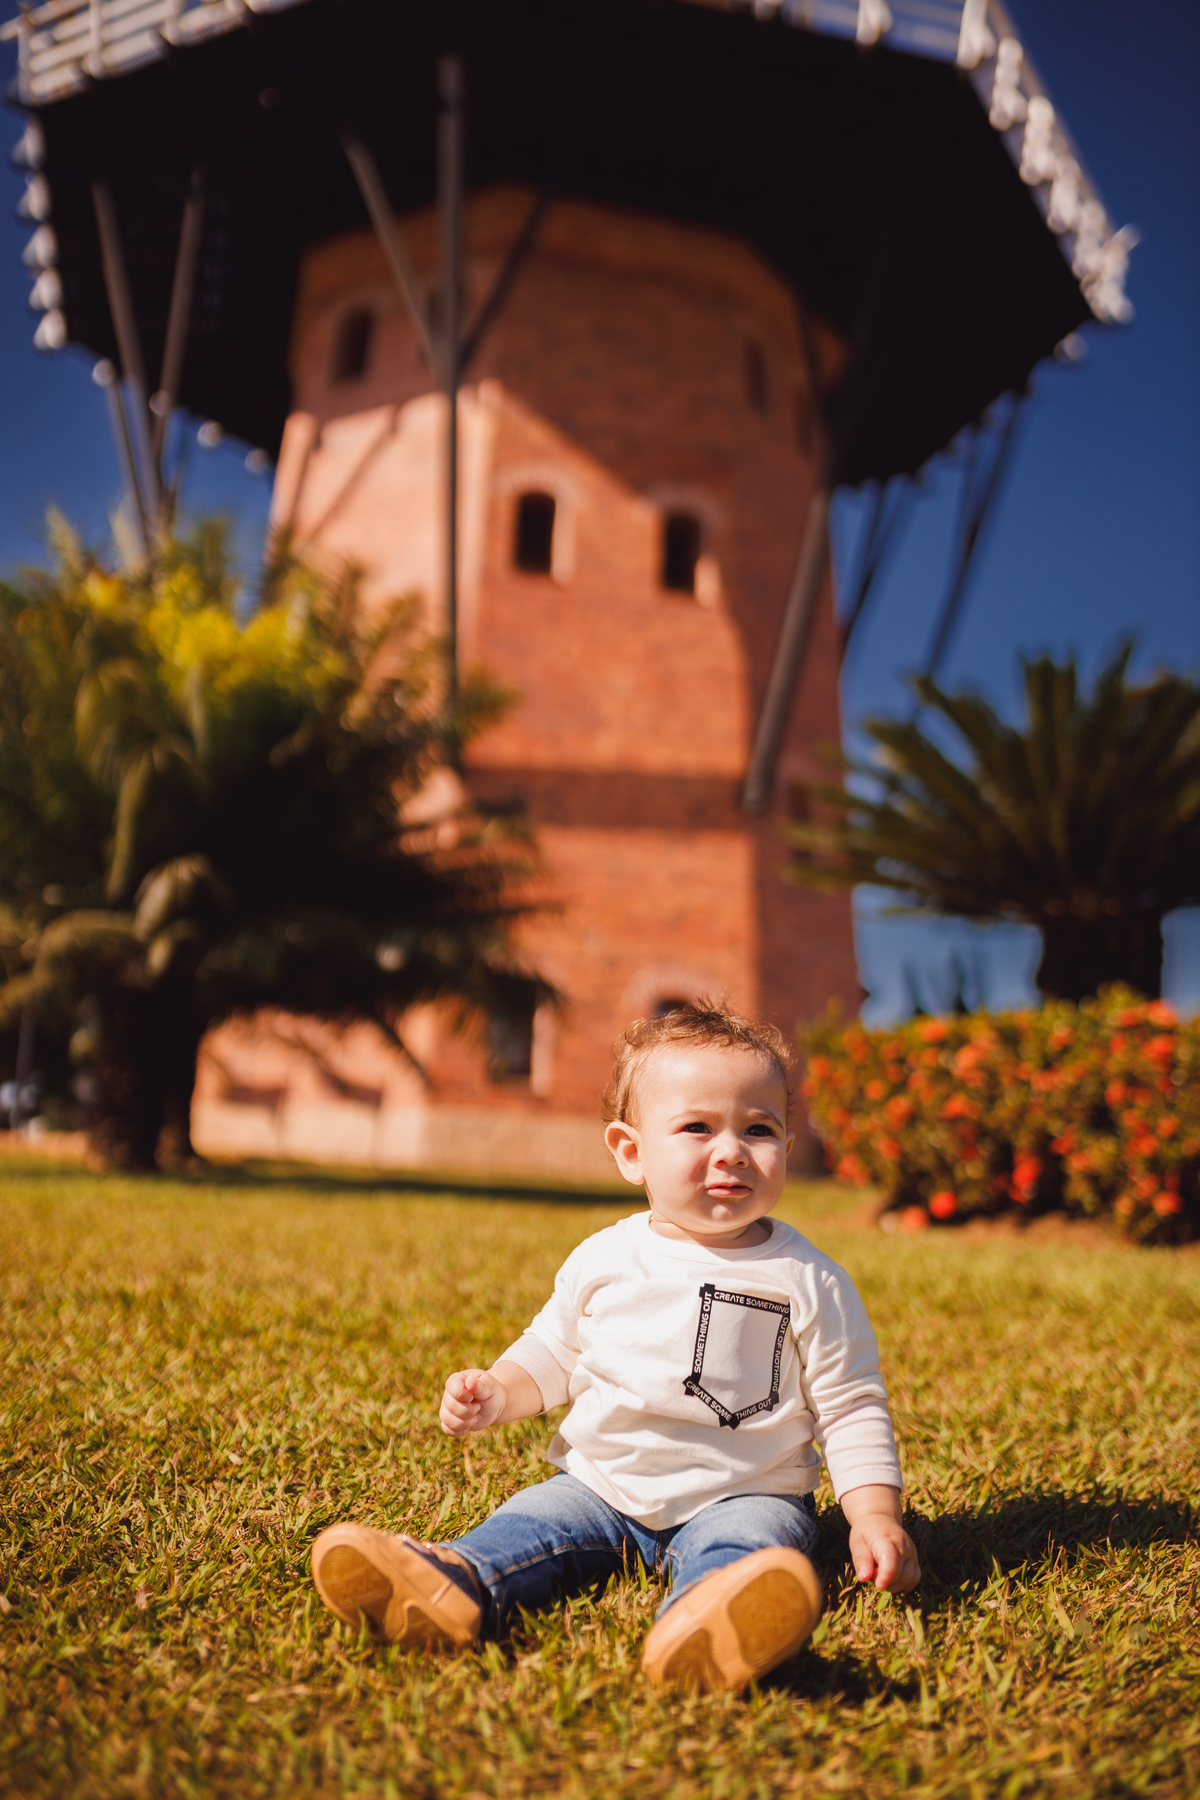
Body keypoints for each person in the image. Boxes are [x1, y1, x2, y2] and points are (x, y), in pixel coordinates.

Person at [311, 1001, 920, 1692]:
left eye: (759, 1128)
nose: (732, 1150)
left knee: (748, 1548)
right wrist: (500, 1390)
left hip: (748, 1493)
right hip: (600, 1485)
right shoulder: (607, 1257)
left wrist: (874, 1515)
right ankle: (456, 1580)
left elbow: (851, 1406)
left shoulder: (808, 1278)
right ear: (632, 1153)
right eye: (697, 1128)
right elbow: (554, 1352)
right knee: (529, 1524)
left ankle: (710, 1619)